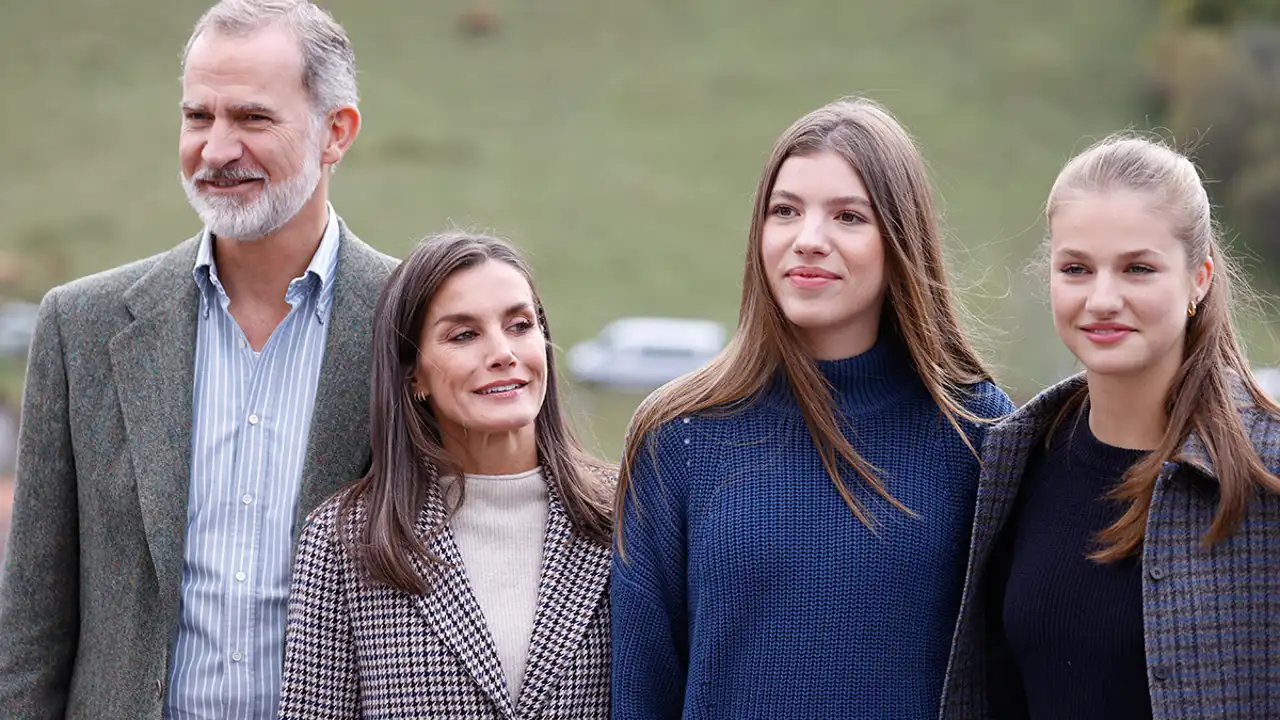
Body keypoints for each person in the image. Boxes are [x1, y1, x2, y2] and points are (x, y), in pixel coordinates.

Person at [0, 1, 396, 718]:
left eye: (251, 118)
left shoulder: (415, 323)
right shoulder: (81, 327)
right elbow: (29, 628)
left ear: (335, 131)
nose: (216, 150)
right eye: (197, 117)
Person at [609, 97, 1014, 720]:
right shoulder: (679, 434)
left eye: (848, 216)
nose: (809, 240)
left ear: (899, 238)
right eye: (785, 211)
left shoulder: (978, 431)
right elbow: (641, 694)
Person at [940, 135, 1280, 720]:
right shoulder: (1011, 458)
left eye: (1137, 269)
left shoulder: (1267, 472)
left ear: (1198, 278)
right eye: (1076, 268)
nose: (1101, 298)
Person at [277, 231, 614, 719]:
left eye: (520, 325)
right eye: (464, 335)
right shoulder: (346, 541)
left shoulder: (629, 513)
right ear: (414, 375)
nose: (503, 352)